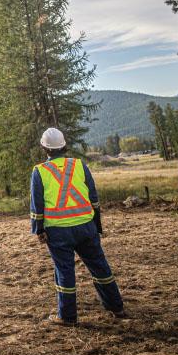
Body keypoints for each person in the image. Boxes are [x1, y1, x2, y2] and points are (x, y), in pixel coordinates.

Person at [30, 127, 127, 325]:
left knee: (64, 271)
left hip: (57, 231)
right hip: (86, 227)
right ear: (64, 146)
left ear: (44, 148)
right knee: (100, 267)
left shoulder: (39, 171)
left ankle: (67, 316)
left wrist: (38, 230)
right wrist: (97, 226)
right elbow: (94, 198)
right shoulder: (79, 165)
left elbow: (36, 204)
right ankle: (116, 306)